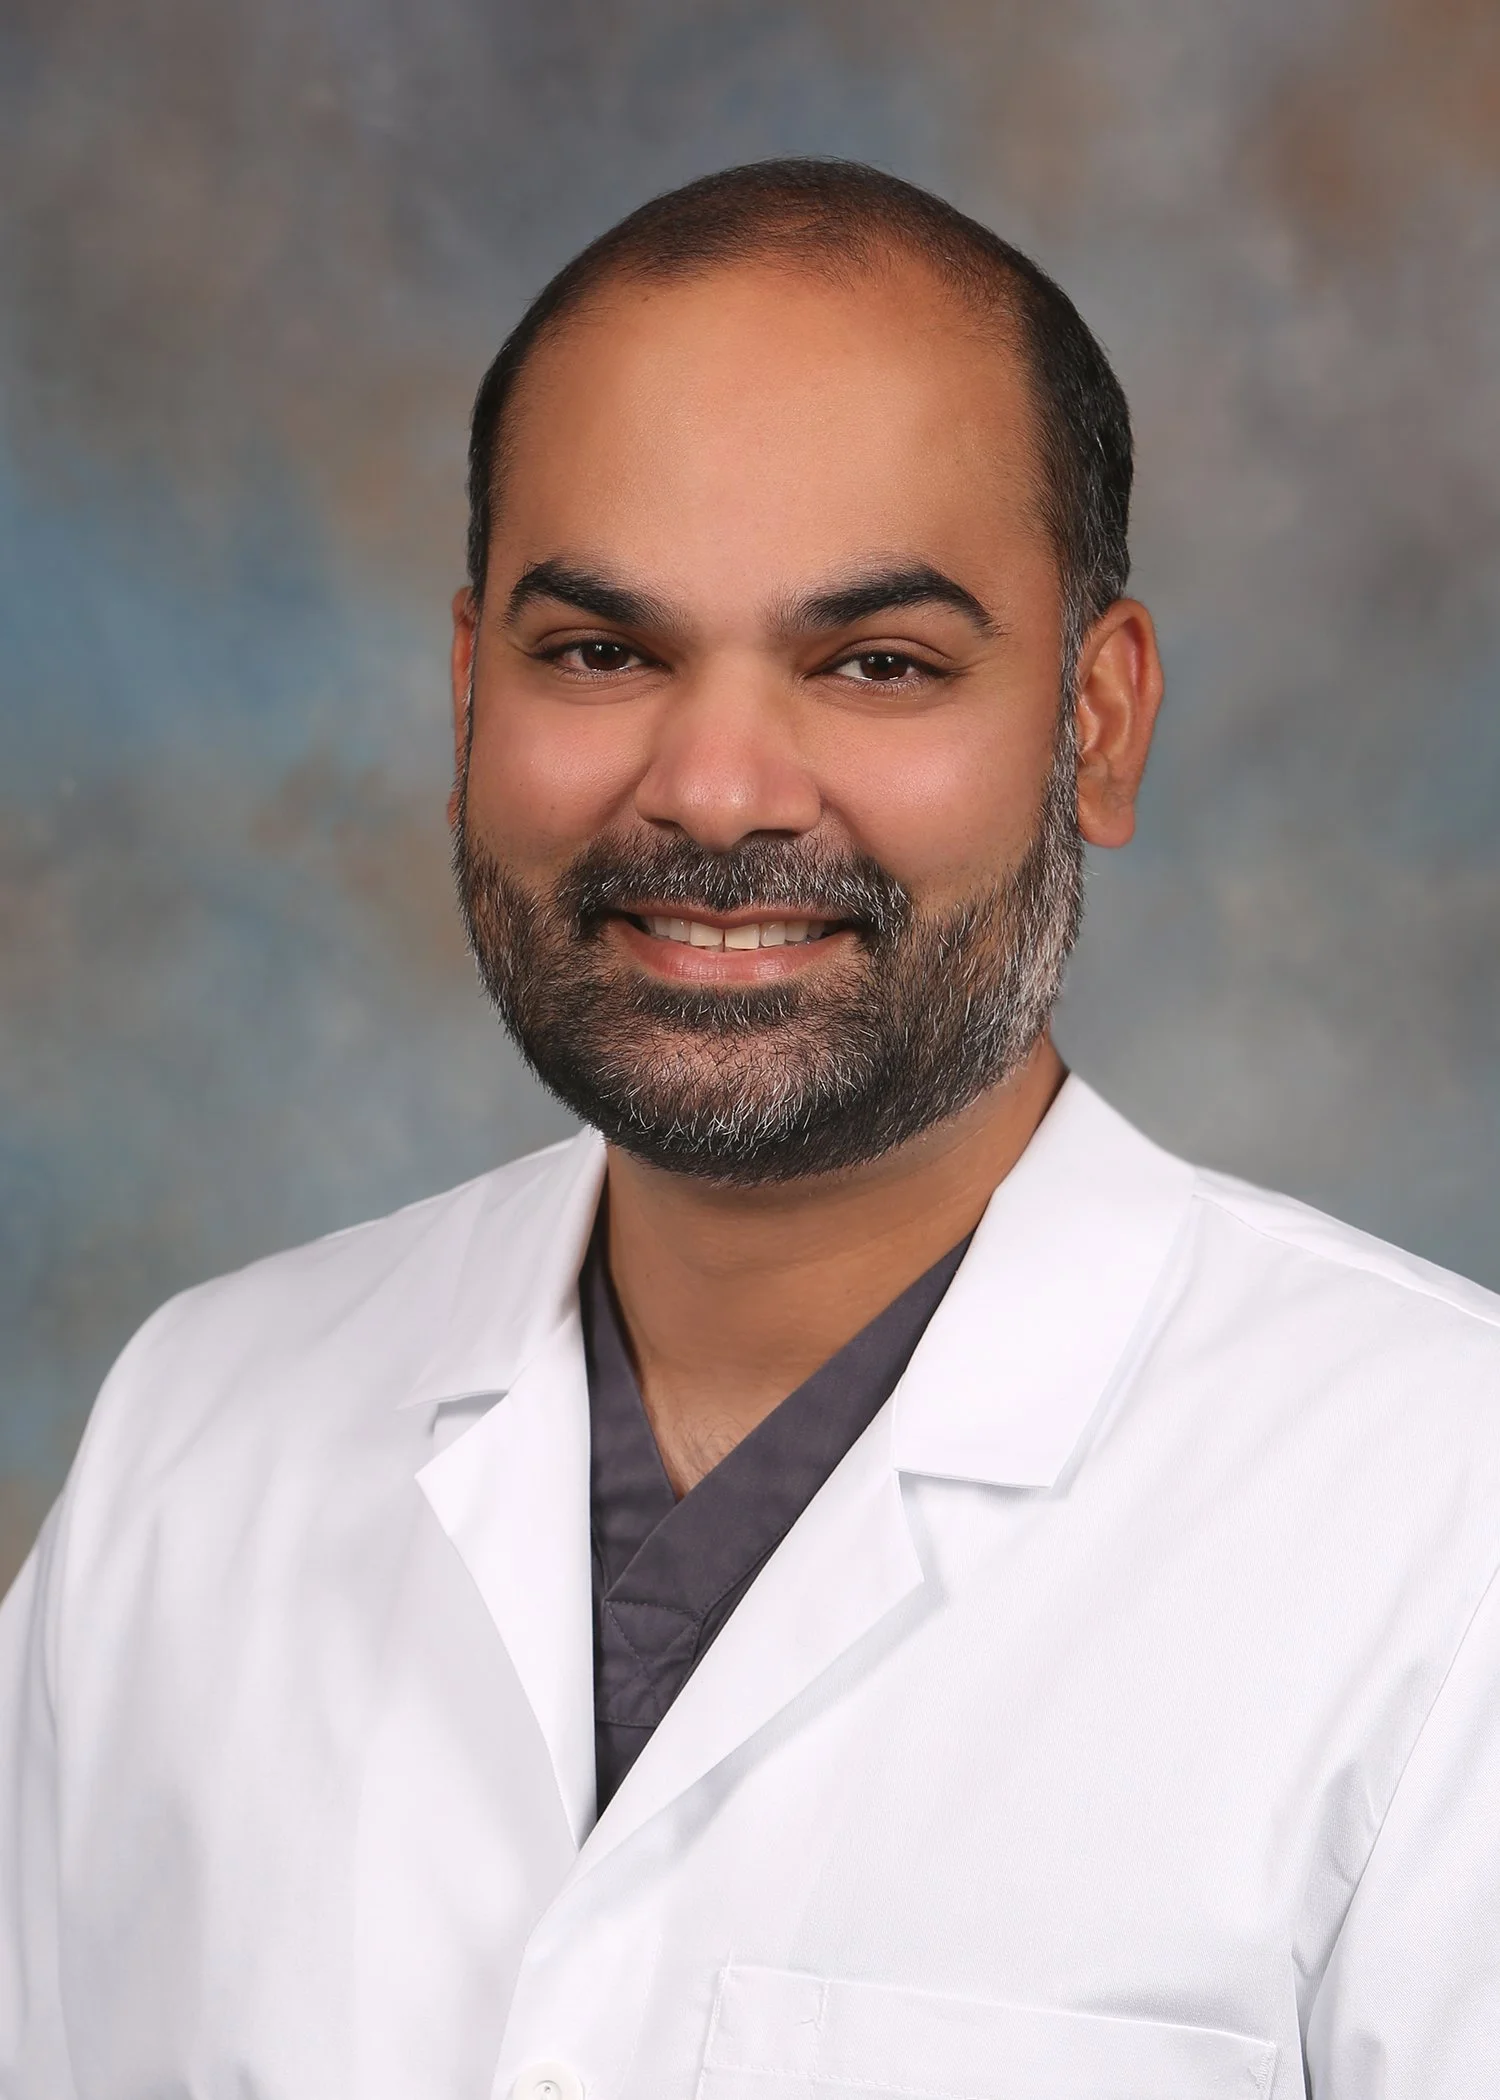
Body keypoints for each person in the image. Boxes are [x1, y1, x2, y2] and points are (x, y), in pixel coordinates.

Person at [1, 159, 1497, 2100]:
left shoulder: (1444, 1516)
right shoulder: (200, 1440)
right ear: (467, 696)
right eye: (600, 652)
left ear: (1099, 725)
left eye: (878, 664)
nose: (714, 791)